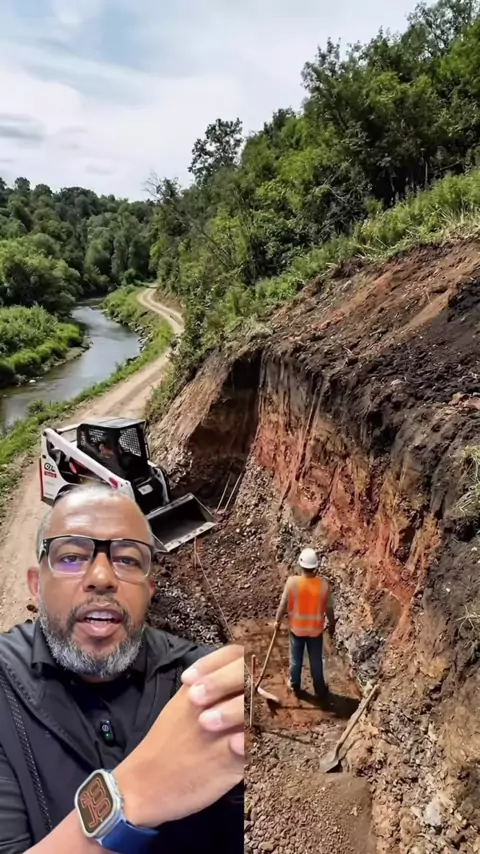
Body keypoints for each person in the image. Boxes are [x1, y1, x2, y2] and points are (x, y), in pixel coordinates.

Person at [0, 484, 243, 854]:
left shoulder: (202, 684)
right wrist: (135, 793)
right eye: (71, 557)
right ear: (36, 585)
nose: (102, 577)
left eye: (127, 560)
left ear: (149, 590)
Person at [274, 547, 335, 699]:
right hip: (315, 631)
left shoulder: (292, 582)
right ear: (316, 566)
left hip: (297, 630)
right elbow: (329, 609)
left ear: (300, 565)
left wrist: (277, 621)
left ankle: (294, 685)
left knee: (296, 660)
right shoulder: (323, 585)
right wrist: (332, 625)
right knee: (316, 661)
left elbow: (283, 604)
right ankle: (320, 690)